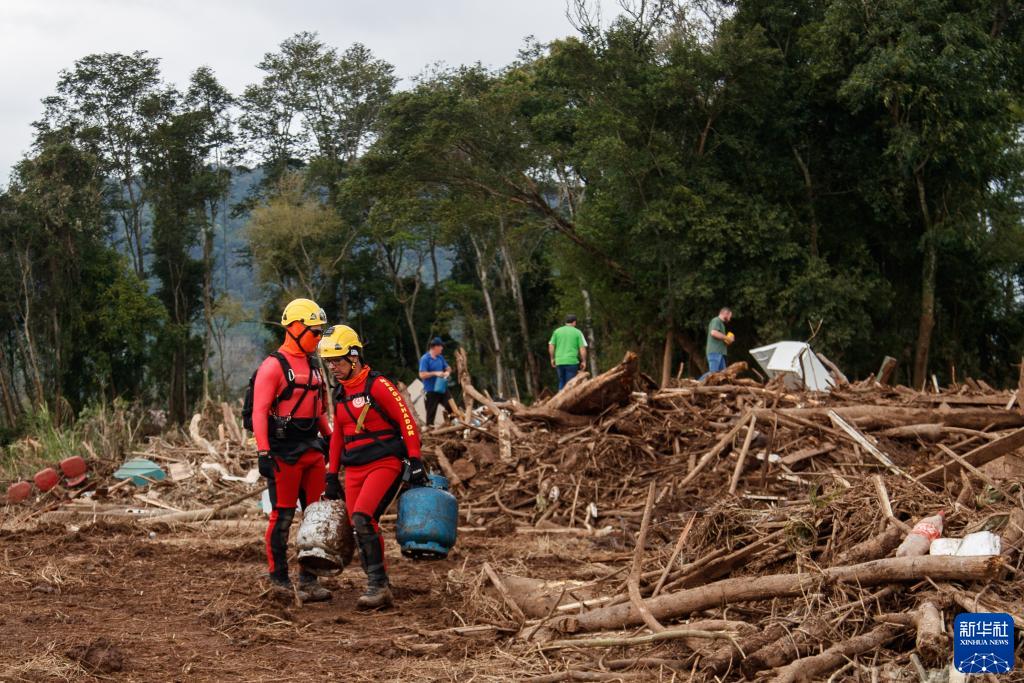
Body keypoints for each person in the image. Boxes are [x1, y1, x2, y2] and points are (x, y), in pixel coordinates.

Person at [319, 325, 428, 610]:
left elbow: (406, 421)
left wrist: (415, 459)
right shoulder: (339, 392)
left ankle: (378, 587)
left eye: (337, 361)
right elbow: (338, 435)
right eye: (329, 362)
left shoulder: (378, 385)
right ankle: (379, 583)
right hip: (355, 468)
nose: (333, 367)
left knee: (363, 518)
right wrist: (331, 474)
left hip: (385, 462)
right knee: (358, 527)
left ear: (354, 356)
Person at [253, 298, 333, 601]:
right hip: (284, 453)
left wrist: (331, 440)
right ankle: (279, 580)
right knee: (283, 516)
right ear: (296, 328)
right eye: (315, 332)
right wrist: (263, 452)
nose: (318, 338)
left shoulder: (314, 365)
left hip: (312, 449)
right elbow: (260, 411)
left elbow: (319, 410)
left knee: (314, 518)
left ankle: (309, 581)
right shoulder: (273, 366)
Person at [418, 337, 452, 427]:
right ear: (435, 347)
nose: (442, 348)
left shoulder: (440, 358)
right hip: (431, 390)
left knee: (451, 407)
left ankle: (452, 424)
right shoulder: (425, 359)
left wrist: (447, 372)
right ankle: (430, 430)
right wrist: (435, 373)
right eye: (440, 346)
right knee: (430, 415)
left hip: (442, 388)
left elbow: (448, 368)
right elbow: (422, 375)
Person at [548, 314, 588, 391]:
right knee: (570, 384)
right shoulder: (578, 332)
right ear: (574, 322)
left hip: (559, 361)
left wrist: (552, 359)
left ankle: (560, 397)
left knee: (561, 382)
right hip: (571, 362)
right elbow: (582, 348)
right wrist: (584, 361)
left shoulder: (557, 331)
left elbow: (551, 346)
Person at [704, 307, 734, 376]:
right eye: (730, 316)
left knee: (723, 375)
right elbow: (713, 333)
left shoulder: (721, 324)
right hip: (715, 352)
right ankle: (698, 382)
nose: (730, 319)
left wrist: (729, 341)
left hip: (720, 353)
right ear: (726, 313)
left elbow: (721, 340)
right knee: (713, 374)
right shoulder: (716, 320)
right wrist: (727, 338)